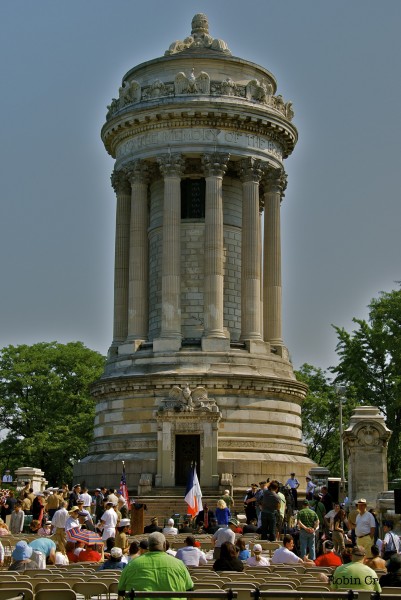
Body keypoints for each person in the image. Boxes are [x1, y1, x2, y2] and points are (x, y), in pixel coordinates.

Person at [118, 532, 193, 597]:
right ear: (164, 545)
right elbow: (189, 589)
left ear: (149, 546)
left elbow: (121, 590)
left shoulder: (132, 564)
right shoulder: (179, 564)